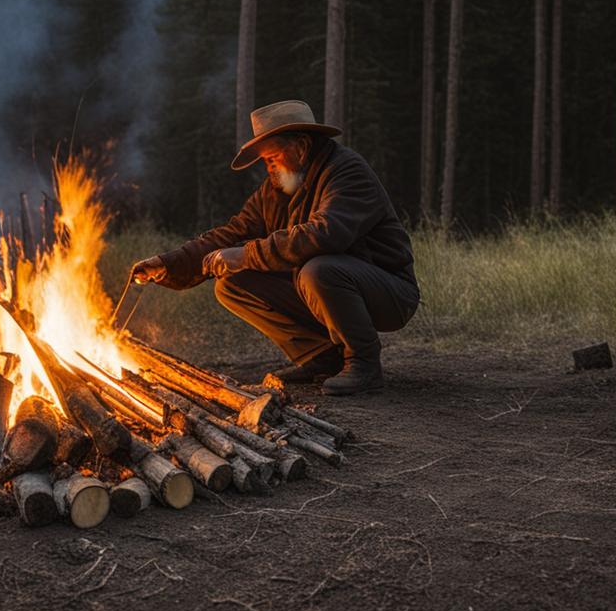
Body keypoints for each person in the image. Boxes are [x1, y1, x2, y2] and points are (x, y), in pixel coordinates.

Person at [131, 100, 419, 396]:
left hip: (389, 292)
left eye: (273, 156)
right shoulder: (277, 189)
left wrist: (246, 255)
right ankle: (321, 358)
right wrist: (169, 263)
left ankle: (363, 363)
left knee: (318, 270)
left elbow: (325, 235)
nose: (268, 166)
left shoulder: (346, 172)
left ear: (303, 145)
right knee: (231, 283)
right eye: (264, 160)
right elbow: (233, 233)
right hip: (326, 284)